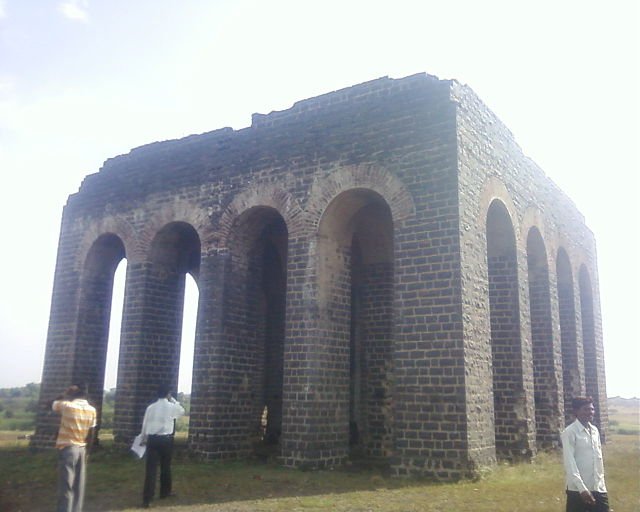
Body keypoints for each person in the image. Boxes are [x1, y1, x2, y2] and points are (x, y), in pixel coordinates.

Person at [51, 383, 97, 512]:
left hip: (68, 448)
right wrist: (87, 452)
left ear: (72, 395)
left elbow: (52, 403)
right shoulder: (91, 410)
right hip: (82, 448)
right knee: (78, 485)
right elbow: (91, 433)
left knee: (66, 485)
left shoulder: (67, 406)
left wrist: (64, 394)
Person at [139, 384, 185, 508]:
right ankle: (165, 492)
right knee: (166, 466)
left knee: (151, 470)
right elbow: (182, 411)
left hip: (152, 439)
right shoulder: (171, 407)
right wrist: (173, 400)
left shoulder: (150, 407)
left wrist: (143, 437)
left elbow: (145, 424)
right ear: (168, 394)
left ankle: (147, 498)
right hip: (166, 439)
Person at [560, 396, 609, 512]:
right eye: (586, 409)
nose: (590, 412)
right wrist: (582, 489)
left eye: (592, 409)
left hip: (598, 488)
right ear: (576, 411)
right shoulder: (569, 432)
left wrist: (601, 483)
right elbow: (569, 462)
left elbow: (597, 460)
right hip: (578, 490)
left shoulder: (595, 431)